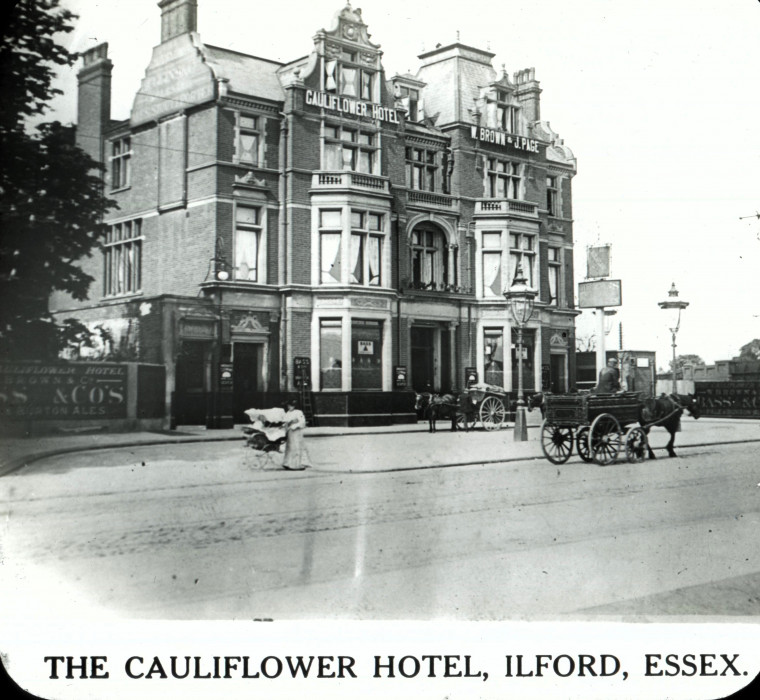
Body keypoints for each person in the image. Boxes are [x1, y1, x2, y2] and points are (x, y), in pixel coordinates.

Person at [282, 399, 311, 470]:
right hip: (290, 432)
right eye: (288, 406)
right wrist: (285, 425)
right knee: (290, 447)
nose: (289, 407)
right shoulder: (288, 413)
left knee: (297, 447)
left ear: (294, 406)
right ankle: (287, 463)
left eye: (291, 406)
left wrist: (294, 425)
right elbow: (285, 421)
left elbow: (302, 421)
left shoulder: (298, 412)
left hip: (297, 432)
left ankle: (296, 464)